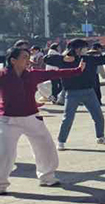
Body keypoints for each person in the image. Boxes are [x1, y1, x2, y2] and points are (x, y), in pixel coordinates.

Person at [0, 47, 85, 193]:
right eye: (24, 57)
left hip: (32, 117)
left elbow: (55, 73)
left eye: (28, 56)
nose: (28, 60)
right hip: (8, 120)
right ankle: (1, 185)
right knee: (5, 153)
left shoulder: (33, 74)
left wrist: (78, 70)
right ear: (13, 60)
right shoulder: (2, 75)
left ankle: (47, 177)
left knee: (45, 147)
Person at [45, 39, 105, 149]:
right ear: (78, 49)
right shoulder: (64, 60)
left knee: (98, 116)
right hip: (72, 93)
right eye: (84, 48)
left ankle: (100, 136)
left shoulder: (88, 59)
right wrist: (63, 58)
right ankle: (61, 141)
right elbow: (46, 59)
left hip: (89, 92)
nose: (86, 50)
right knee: (68, 119)